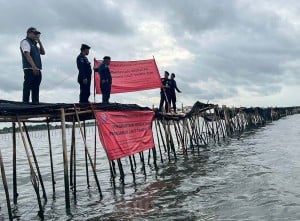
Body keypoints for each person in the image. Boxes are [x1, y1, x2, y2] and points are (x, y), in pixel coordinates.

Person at [20, 27, 45, 104]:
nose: (36, 35)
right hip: (30, 69)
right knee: (27, 87)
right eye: (34, 33)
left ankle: (35, 103)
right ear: (28, 33)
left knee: (36, 88)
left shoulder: (34, 44)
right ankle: (25, 104)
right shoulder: (25, 42)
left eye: (37, 34)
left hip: (37, 69)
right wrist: (34, 67)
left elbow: (43, 52)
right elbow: (27, 54)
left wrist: (39, 41)